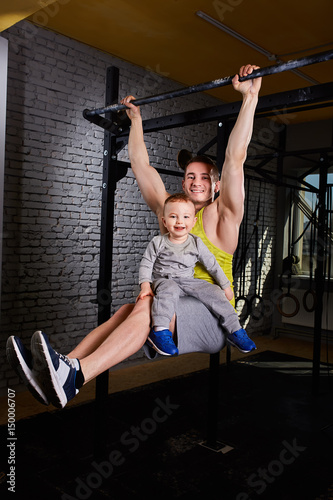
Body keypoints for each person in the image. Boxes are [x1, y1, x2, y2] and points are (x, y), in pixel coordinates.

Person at [6, 64, 261, 409]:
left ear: (216, 185)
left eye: (204, 176)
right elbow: (143, 168)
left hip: (214, 318)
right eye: (190, 176)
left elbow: (235, 157)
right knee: (130, 307)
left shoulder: (223, 215)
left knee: (148, 302)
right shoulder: (173, 215)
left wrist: (250, 97)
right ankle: (60, 369)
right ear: (183, 182)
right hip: (175, 308)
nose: (196, 181)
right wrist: (136, 121)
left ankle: (76, 376)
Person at [138, 192, 255, 357]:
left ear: (193, 222)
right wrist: (145, 285)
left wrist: (225, 286)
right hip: (165, 280)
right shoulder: (158, 242)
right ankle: (160, 331)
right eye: (173, 216)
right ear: (164, 221)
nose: (180, 221)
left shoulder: (196, 243)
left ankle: (235, 330)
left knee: (214, 292)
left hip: (188, 281)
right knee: (169, 290)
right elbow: (146, 263)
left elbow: (212, 265)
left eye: (186, 217)